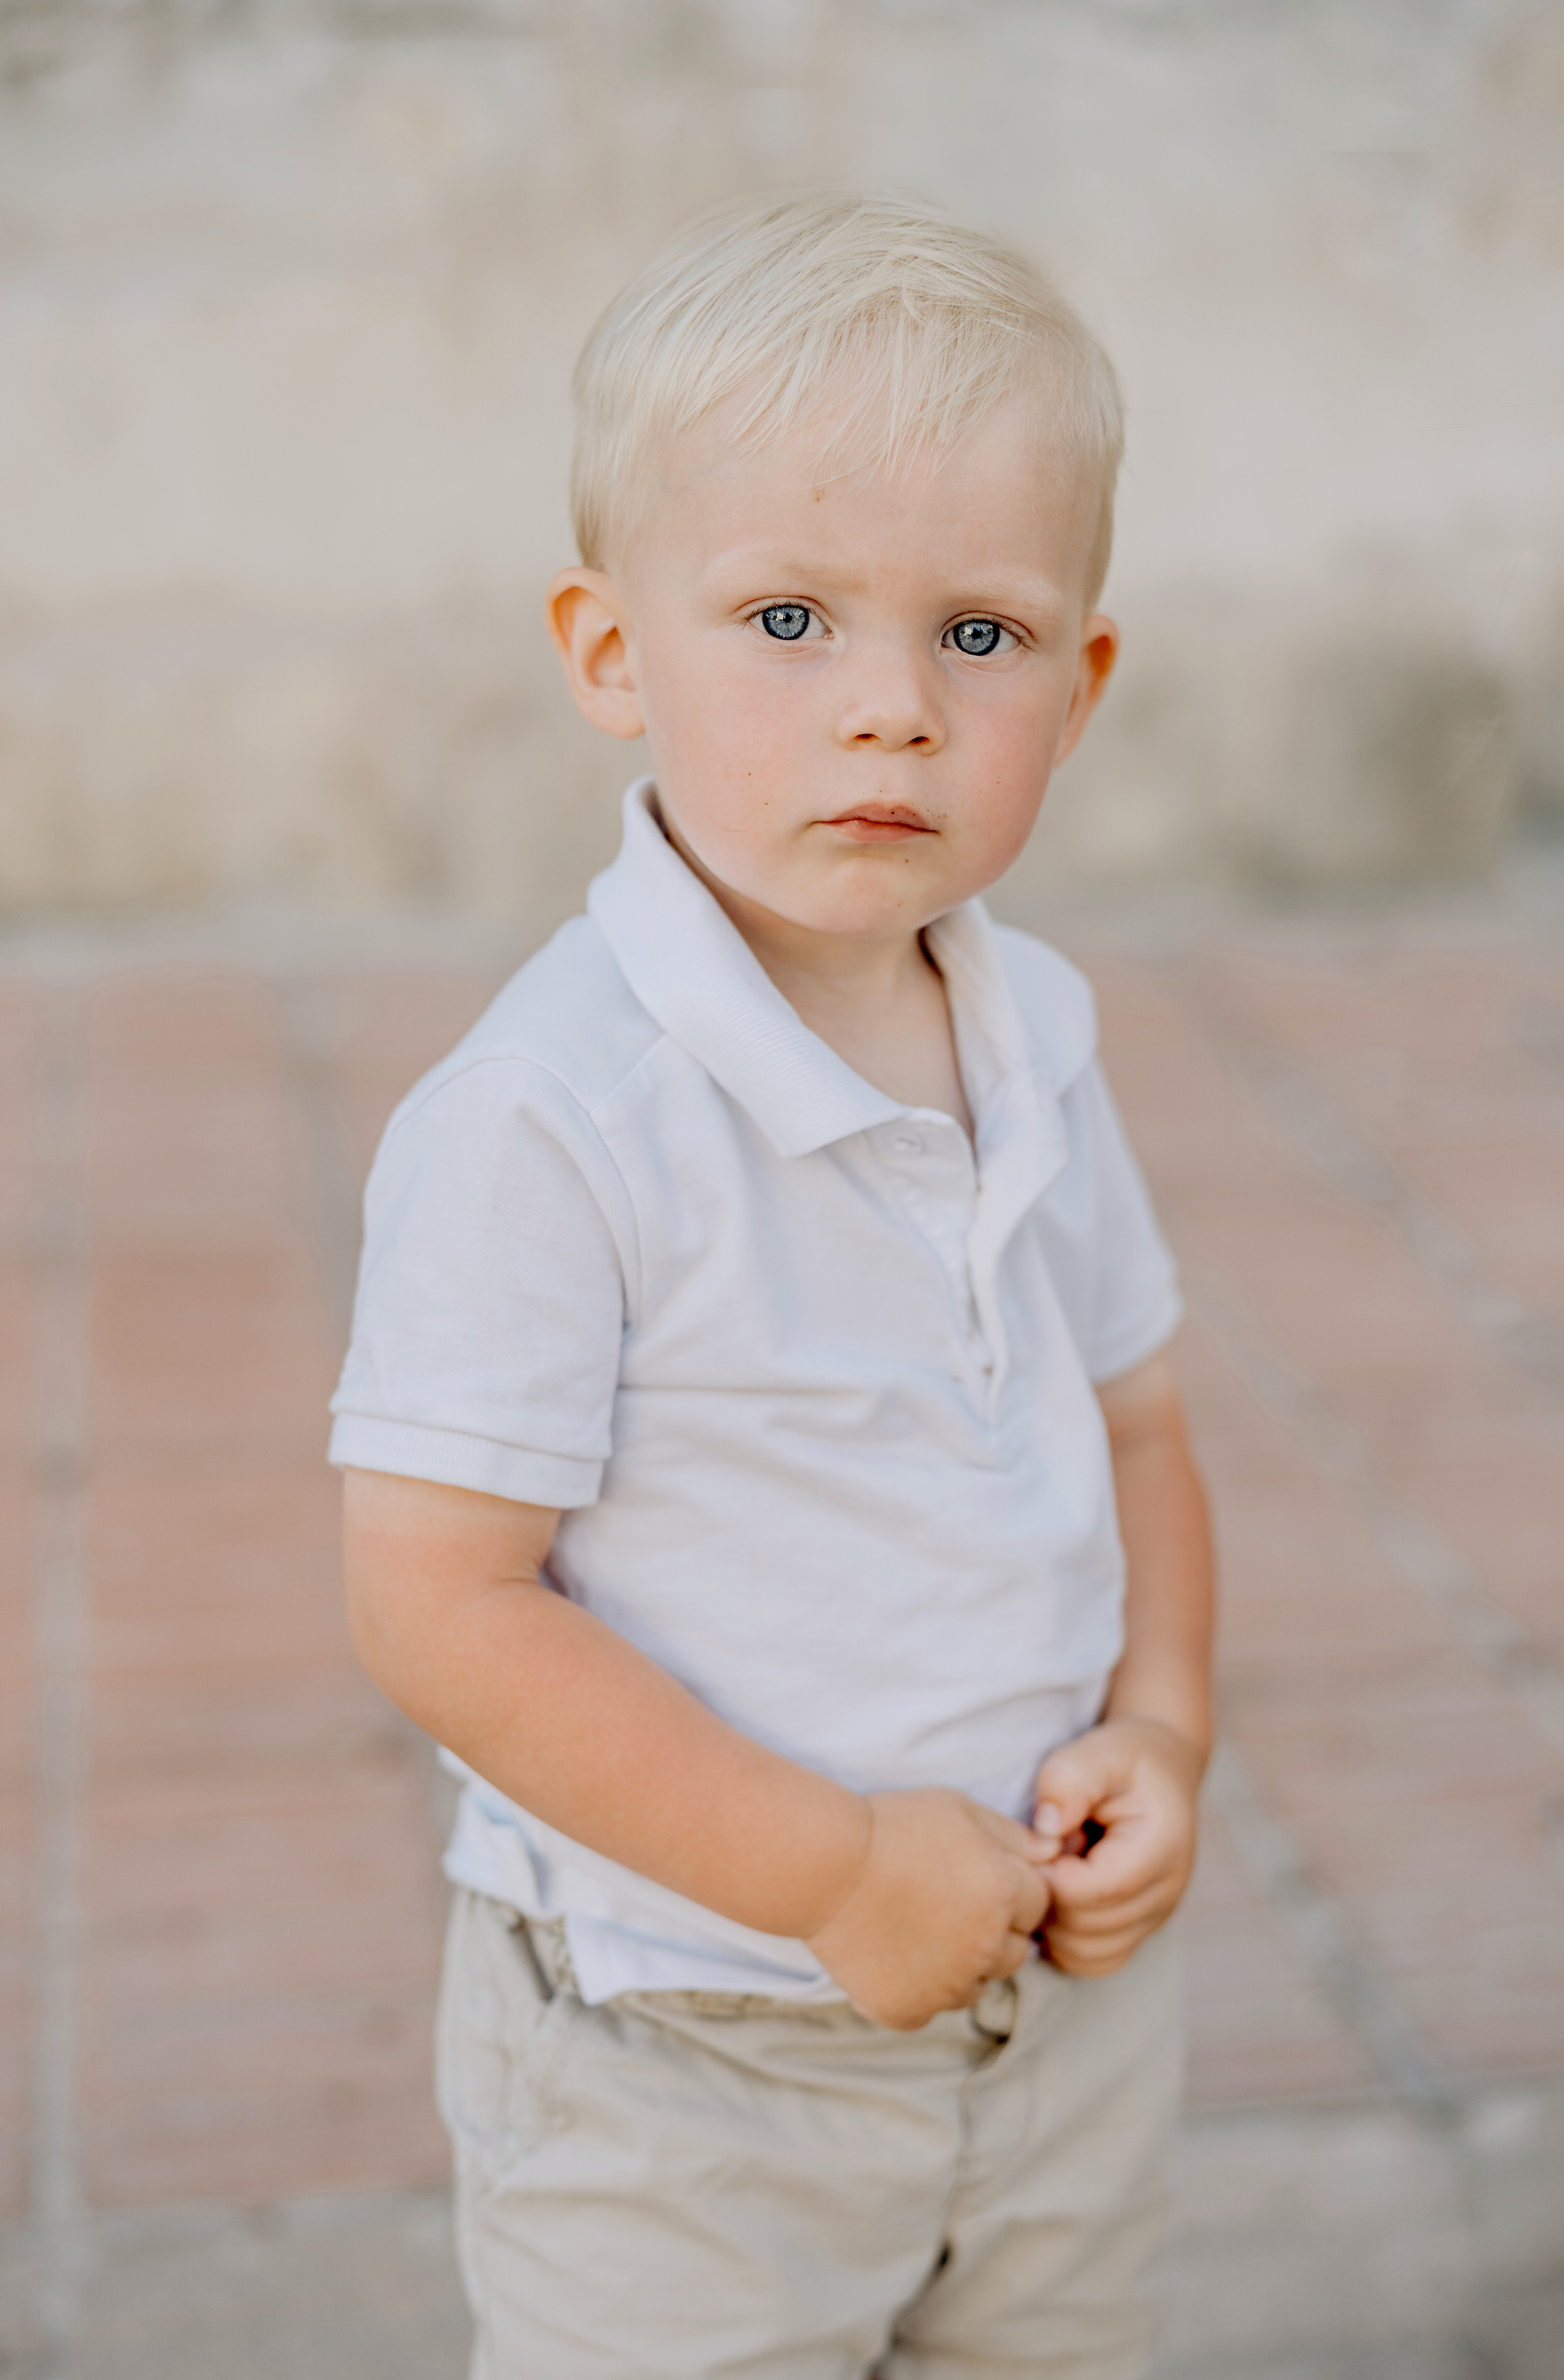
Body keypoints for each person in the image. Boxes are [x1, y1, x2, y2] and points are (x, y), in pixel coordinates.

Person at [330, 189, 1215, 2380]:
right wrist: (823, 1872)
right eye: (791, 618)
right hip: (683, 2064)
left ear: (1082, 684)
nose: (895, 712)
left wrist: (1166, 1732)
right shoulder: (556, 1116)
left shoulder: (1040, 1036)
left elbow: (1143, 1421)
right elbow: (440, 1597)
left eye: (982, 637)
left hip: (1051, 2014)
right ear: (612, 651)